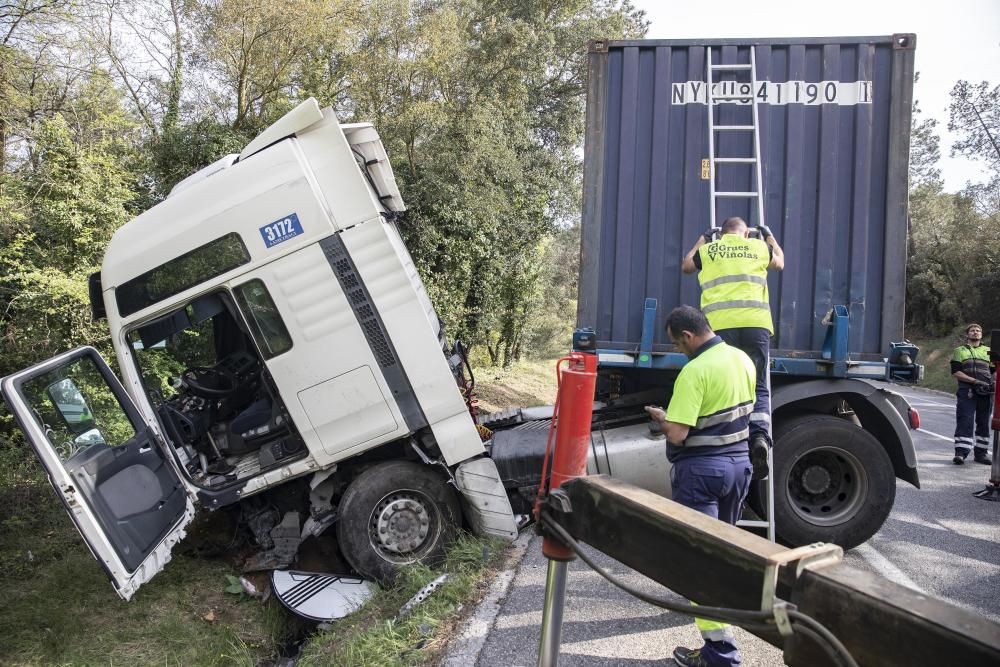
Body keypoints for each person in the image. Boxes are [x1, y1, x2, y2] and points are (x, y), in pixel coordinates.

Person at [644, 306, 756, 667]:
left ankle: (721, 655)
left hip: (703, 473)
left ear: (688, 336)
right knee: (722, 555)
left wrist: (662, 419)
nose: (680, 349)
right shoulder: (742, 359)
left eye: (678, 344)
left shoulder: (695, 371)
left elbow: (678, 433)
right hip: (740, 468)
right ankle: (720, 642)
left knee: (698, 563)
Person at [681, 216, 783, 480]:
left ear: (722, 233)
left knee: (724, 385)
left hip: (720, 327)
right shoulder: (759, 247)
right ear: (746, 233)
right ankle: (759, 438)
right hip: (755, 325)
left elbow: (686, 266)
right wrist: (769, 235)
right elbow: (780, 262)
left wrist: (703, 238)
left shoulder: (709, 250)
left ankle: (727, 446)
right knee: (758, 385)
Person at [951, 323, 994, 465]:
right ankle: (961, 454)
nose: (975, 332)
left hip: (986, 391)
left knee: (983, 422)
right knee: (965, 420)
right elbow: (956, 372)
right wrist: (974, 381)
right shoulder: (959, 351)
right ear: (967, 334)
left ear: (981, 335)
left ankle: (981, 454)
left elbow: (995, 370)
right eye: (972, 331)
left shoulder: (989, 351)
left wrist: (991, 383)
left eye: (978, 331)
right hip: (967, 390)